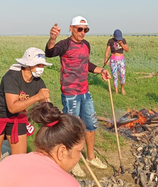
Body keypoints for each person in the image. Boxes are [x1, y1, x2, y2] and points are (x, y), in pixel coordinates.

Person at [45, 16, 111, 178]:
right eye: (79, 29)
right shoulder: (65, 44)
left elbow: (85, 64)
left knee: (90, 125)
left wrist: (101, 70)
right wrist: (52, 39)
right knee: (72, 128)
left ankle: (90, 158)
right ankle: (72, 163)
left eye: (85, 30)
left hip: (85, 92)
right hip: (70, 94)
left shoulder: (86, 45)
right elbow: (50, 52)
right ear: (71, 28)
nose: (82, 33)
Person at [0, 47, 51, 179]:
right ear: (28, 65)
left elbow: (45, 105)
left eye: (42, 65)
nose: (41, 68)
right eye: (38, 65)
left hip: (18, 118)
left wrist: (56, 116)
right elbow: (12, 107)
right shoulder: (11, 77)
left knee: (19, 159)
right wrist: (36, 97)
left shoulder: (39, 82)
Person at [105, 29, 129, 95]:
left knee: (122, 75)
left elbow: (127, 50)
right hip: (113, 60)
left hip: (121, 60)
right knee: (115, 76)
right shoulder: (110, 41)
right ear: (114, 36)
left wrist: (122, 44)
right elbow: (107, 50)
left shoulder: (123, 40)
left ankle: (122, 89)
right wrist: (105, 59)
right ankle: (116, 92)